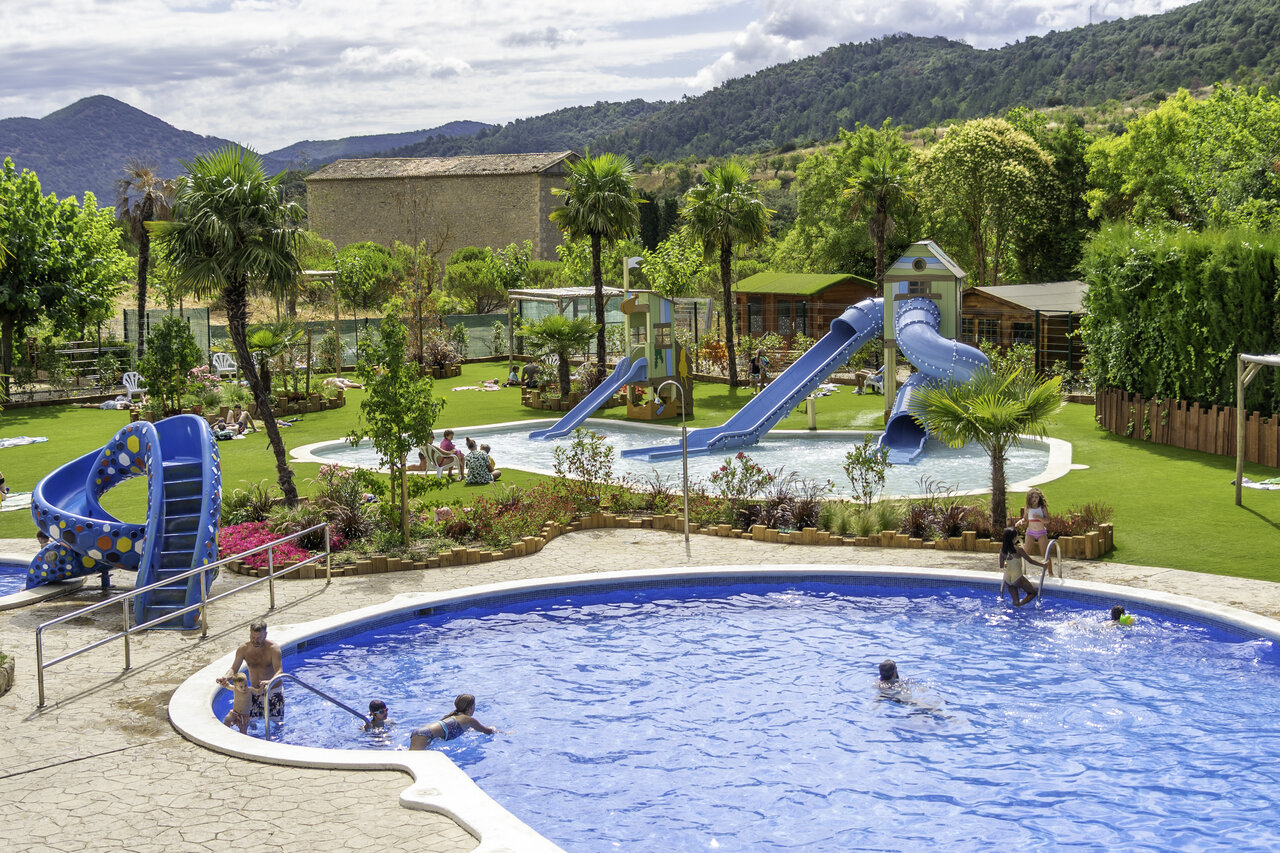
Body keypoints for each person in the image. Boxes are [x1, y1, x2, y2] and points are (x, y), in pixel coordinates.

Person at [225, 618, 285, 723]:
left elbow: (279, 671)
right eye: (253, 637)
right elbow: (234, 669)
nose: (255, 640)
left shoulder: (273, 649)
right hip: (253, 692)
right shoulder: (243, 649)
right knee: (250, 723)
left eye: (259, 638)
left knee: (277, 724)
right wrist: (225, 677)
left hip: (273, 691)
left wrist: (269, 682)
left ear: (265, 635)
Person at [409, 694, 497, 749]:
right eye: (474, 705)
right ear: (470, 708)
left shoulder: (454, 716)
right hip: (425, 735)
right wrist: (495, 729)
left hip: (421, 732)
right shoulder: (469, 720)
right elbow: (488, 731)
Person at [1000, 527, 1050, 607]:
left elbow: (1001, 565)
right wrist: (1043, 565)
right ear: (1014, 538)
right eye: (1016, 536)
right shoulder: (1019, 550)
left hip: (1007, 580)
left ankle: (1017, 608)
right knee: (1032, 593)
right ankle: (1021, 604)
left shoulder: (1002, 550)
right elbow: (1030, 561)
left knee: (1015, 602)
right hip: (1017, 578)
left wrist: (1006, 563)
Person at [1018, 488, 1049, 558]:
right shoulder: (1028, 508)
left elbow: (1047, 520)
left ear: (1039, 498)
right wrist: (1021, 521)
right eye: (1032, 497)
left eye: (1036, 497)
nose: (1034, 499)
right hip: (1030, 532)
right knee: (1026, 553)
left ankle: (1050, 569)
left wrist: (1039, 518)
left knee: (1045, 554)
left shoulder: (1042, 508)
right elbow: (1025, 519)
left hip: (1041, 533)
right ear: (1029, 498)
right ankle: (1019, 567)